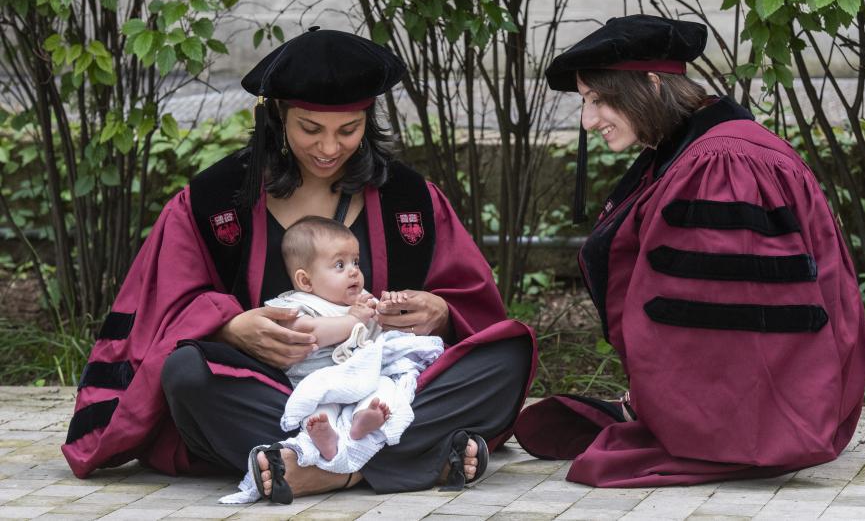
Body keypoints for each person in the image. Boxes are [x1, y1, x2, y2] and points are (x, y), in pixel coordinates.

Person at [62, 27, 536, 500]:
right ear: (278, 118)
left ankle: (317, 469)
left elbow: (471, 305)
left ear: (367, 121)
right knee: (187, 373)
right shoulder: (215, 201)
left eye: (348, 130)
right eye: (310, 128)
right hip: (276, 391)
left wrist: (441, 310)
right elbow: (160, 311)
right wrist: (229, 327)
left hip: (386, 387)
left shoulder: (408, 199)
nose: (329, 148)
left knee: (507, 356)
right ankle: (413, 457)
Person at [513, 15, 865, 487]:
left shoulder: (723, 166)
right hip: (767, 403)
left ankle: (716, 431)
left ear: (653, 85)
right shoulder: (697, 150)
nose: (588, 120)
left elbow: (720, 322)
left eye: (598, 100)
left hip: (759, 419)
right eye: (585, 101)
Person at [220, 215, 445, 504]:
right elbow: (309, 333)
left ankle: (366, 421)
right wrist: (352, 321)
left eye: (355, 262)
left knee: (386, 391)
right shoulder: (296, 304)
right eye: (340, 265)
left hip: (363, 379)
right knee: (320, 410)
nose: (353, 272)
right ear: (305, 280)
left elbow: (376, 337)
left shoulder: (358, 301)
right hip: (319, 381)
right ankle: (325, 438)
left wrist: (386, 311)